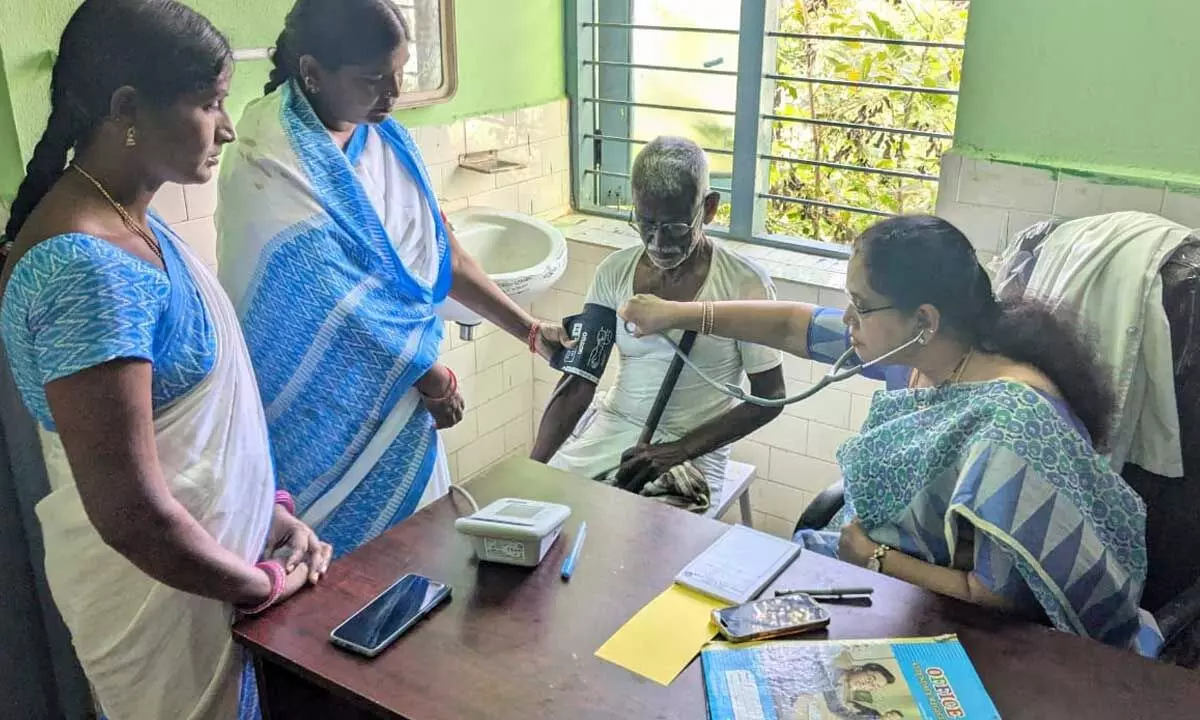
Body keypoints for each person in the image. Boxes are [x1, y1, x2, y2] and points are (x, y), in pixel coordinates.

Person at [619, 215, 1160, 654]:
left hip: (974, 631)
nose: (848, 318)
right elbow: (791, 325)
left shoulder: (1012, 422)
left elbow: (1000, 600)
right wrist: (675, 313)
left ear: (923, 317)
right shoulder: (926, 354)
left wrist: (872, 556)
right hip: (888, 585)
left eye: (861, 304)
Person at [0, 2, 332, 718]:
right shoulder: (84, 269)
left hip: (209, 574)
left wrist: (266, 515)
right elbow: (131, 513)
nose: (229, 125)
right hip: (166, 602)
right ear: (128, 108)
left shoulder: (131, 227)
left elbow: (193, 435)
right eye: (210, 102)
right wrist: (259, 584)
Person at [216, 0, 570, 556]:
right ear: (312, 72)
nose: (393, 92)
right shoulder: (271, 158)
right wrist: (430, 375)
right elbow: (336, 307)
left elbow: (439, 249)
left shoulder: (381, 140)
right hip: (316, 409)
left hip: (400, 403)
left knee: (420, 563)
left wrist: (528, 328)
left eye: (400, 71)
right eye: (373, 79)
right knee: (338, 581)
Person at [530, 137, 785, 508]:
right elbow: (579, 381)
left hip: (692, 446)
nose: (659, 241)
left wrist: (677, 451)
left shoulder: (744, 283)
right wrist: (535, 469)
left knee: (641, 540)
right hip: (614, 427)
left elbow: (770, 396)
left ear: (709, 208)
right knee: (550, 511)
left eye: (676, 226)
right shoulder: (615, 271)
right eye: (646, 224)